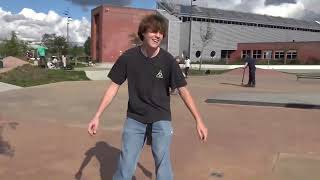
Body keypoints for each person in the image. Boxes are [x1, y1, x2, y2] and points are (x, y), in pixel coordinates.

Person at [87, 14, 208, 180]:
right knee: (126, 165)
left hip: (161, 118)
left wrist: (199, 120)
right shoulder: (128, 58)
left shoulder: (168, 61)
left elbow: (183, 90)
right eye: (153, 31)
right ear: (143, 32)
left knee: (162, 162)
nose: (157, 35)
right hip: (135, 119)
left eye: (161, 33)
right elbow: (113, 87)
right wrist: (97, 115)